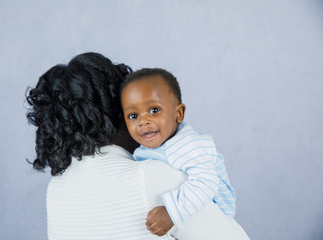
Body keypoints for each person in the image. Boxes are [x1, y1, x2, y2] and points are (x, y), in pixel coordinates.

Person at [26, 52, 249, 240]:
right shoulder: (154, 177)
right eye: (132, 113)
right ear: (117, 114)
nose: (143, 123)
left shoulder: (55, 189)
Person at [120, 68, 236, 236]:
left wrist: (171, 213)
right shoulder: (155, 145)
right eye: (133, 116)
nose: (143, 121)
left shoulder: (186, 144)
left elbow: (206, 182)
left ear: (178, 113)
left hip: (213, 219)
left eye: (154, 110)